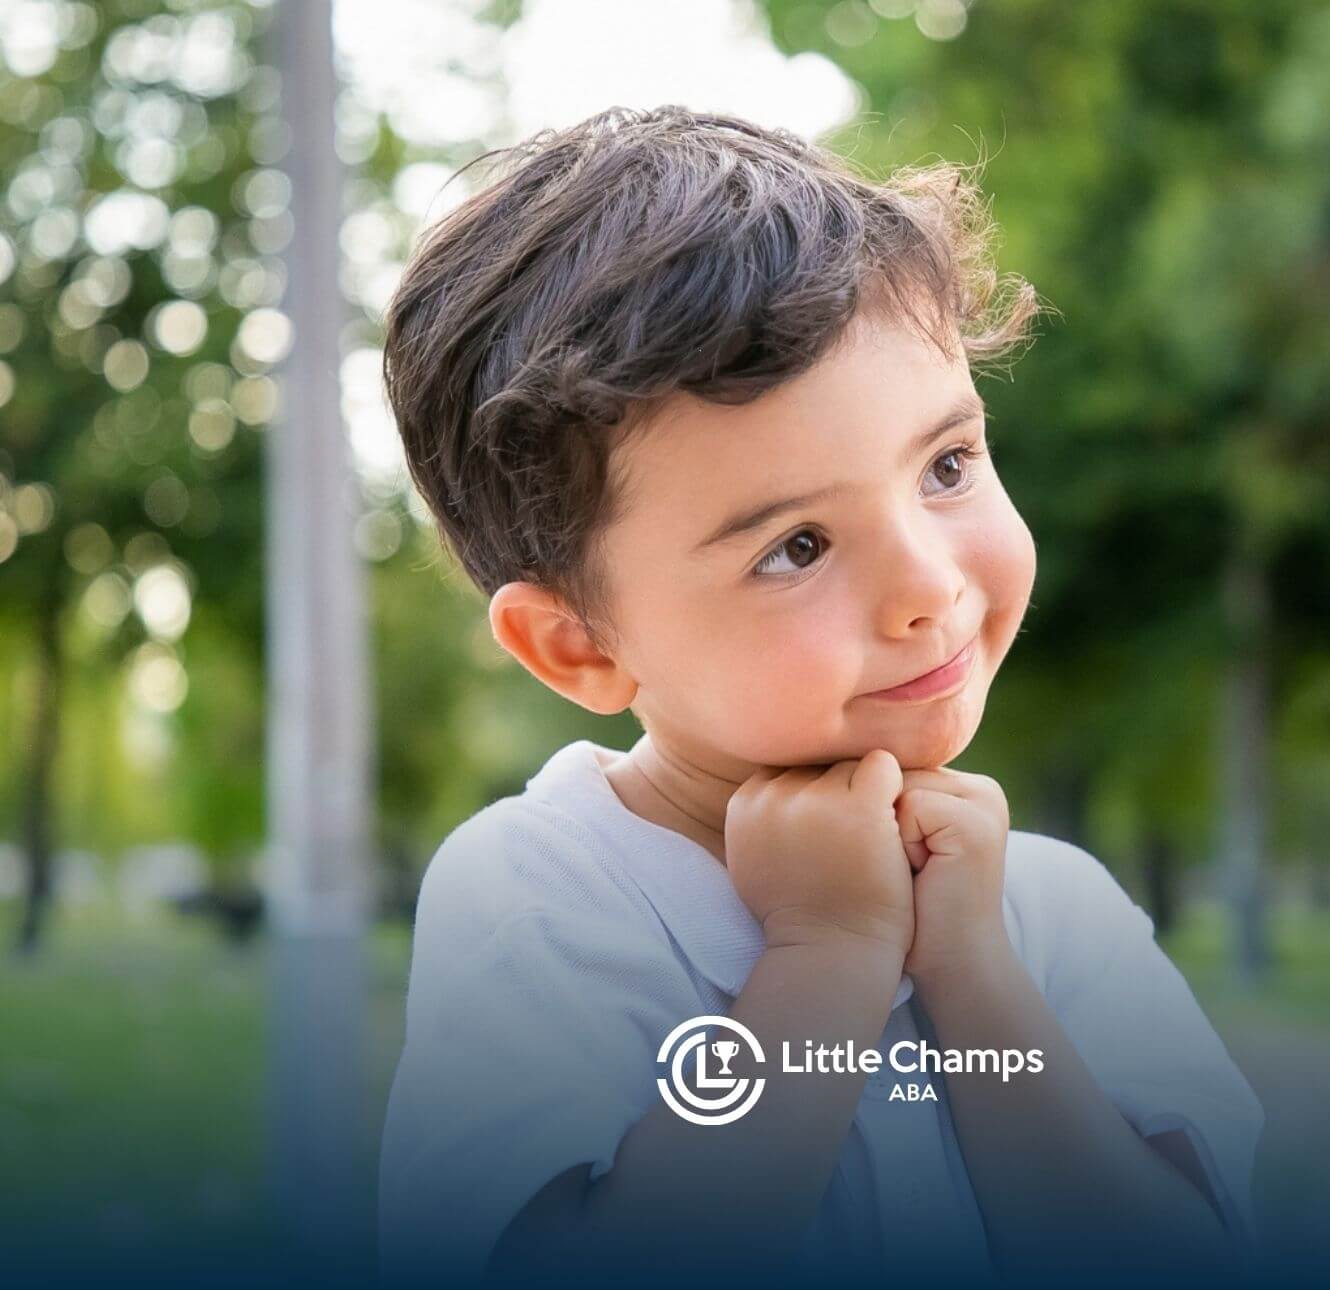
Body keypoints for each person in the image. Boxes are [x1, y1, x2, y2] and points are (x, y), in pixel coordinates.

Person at [376, 105, 1264, 1288]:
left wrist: (973, 975)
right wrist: (827, 960)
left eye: (946, 466)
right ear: (576, 646)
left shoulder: (1052, 918)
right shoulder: (543, 900)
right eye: (795, 545)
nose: (927, 586)